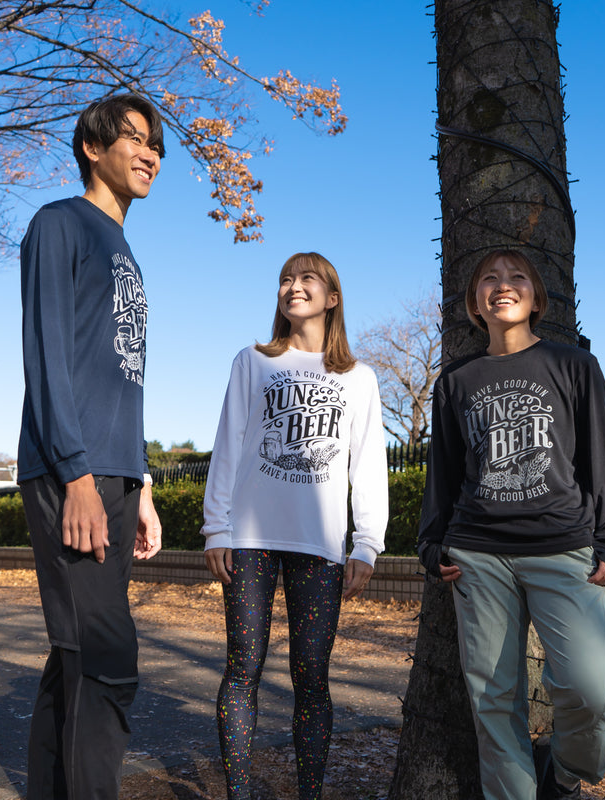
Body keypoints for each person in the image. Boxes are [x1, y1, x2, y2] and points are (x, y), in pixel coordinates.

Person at [418, 249, 605, 800]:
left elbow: (601, 459)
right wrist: (431, 542)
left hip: (564, 548)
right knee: (494, 699)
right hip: (477, 554)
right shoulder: (456, 381)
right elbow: (443, 471)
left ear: (536, 298)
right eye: (489, 279)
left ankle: (563, 774)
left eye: (516, 278)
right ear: (474, 304)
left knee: (589, 688)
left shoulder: (572, 365)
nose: (502, 285)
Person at [17, 93, 165, 800]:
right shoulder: (60, 224)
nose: (149, 154)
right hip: (70, 471)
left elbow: (120, 377)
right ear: (91, 148)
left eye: (156, 146)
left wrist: (140, 486)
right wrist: (76, 475)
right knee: (108, 654)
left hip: (114, 474)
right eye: (134, 139)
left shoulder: (125, 249)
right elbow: (46, 355)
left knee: (75, 654)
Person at [202, 252, 389, 800]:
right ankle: (240, 793)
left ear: (332, 297)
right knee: (243, 669)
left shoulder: (360, 378)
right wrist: (217, 528)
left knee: (312, 678)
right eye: (285, 279)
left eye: (307, 278)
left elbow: (367, 466)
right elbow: (227, 444)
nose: (292, 286)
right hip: (251, 541)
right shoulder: (254, 361)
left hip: (320, 545)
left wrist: (367, 544)